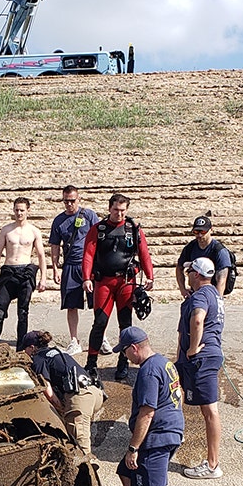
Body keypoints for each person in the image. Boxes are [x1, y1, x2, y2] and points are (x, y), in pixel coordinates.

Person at [112, 326, 183, 486]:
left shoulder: (148, 372)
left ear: (134, 348)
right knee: (125, 472)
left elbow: (147, 412)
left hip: (158, 437)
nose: (125, 357)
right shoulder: (165, 363)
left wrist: (133, 448)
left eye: (124, 352)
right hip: (169, 431)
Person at [82, 193, 154, 383]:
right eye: (116, 210)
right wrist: (86, 278)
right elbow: (88, 254)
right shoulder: (99, 229)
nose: (119, 214)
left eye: (123, 211)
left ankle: (124, 361)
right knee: (100, 323)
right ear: (109, 209)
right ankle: (91, 363)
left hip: (126, 282)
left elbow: (144, 253)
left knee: (126, 325)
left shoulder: (133, 229)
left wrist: (150, 276)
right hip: (104, 282)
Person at [177, 256, 226, 480]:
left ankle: (213, 464)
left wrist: (193, 349)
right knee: (176, 391)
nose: (186, 276)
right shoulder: (213, 293)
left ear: (196, 274)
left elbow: (198, 320)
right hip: (197, 358)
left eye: (189, 272)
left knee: (209, 410)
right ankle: (174, 433)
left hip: (202, 357)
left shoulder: (203, 295)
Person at [19, 330, 105, 452]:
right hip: (96, 393)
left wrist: (62, 409)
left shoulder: (38, 359)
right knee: (80, 428)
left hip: (80, 398)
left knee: (80, 445)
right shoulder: (58, 352)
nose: (25, 353)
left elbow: (48, 392)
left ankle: (88, 468)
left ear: (32, 347)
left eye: (25, 349)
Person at [49, 185, 101, 355]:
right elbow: (55, 246)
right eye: (66, 201)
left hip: (89, 264)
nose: (69, 204)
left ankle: (101, 336)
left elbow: (100, 238)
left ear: (79, 199)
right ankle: (74, 340)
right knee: (71, 305)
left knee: (97, 303)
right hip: (70, 265)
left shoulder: (89, 215)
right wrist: (55, 268)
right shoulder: (58, 221)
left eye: (72, 200)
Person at [0, 197, 47, 347]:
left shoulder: (34, 231)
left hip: (25, 272)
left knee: (23, 313)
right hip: (8, 271)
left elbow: (41, 255)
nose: (19, 213)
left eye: (22, 210)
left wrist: (43, 279)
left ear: (28, 211)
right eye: (16, 210)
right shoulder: (7, 230)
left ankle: (21, 348)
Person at [175, 214, 232, 297]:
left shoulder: (219, 251)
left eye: (203, 232)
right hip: (195, 292)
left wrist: (217, 300)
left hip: (212, 292)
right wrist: (182, 290)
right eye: (196, 232)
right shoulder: (190, 248)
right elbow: (179, 267)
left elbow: (221, 280)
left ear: (211, 230)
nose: (200, 235)